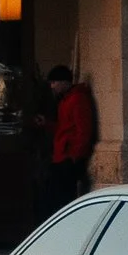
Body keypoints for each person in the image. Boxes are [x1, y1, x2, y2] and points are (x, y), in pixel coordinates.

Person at [42, 65, 97, 209]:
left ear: (64, 82)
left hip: (68, 158)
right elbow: (64, 127)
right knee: (56, 197)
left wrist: (75, 157)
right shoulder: (65, 100)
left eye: (54, 82)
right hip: (62, 155)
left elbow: (83, 130)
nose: (52, 86)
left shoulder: (77, 99)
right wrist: (46, 124)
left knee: (63, 198)